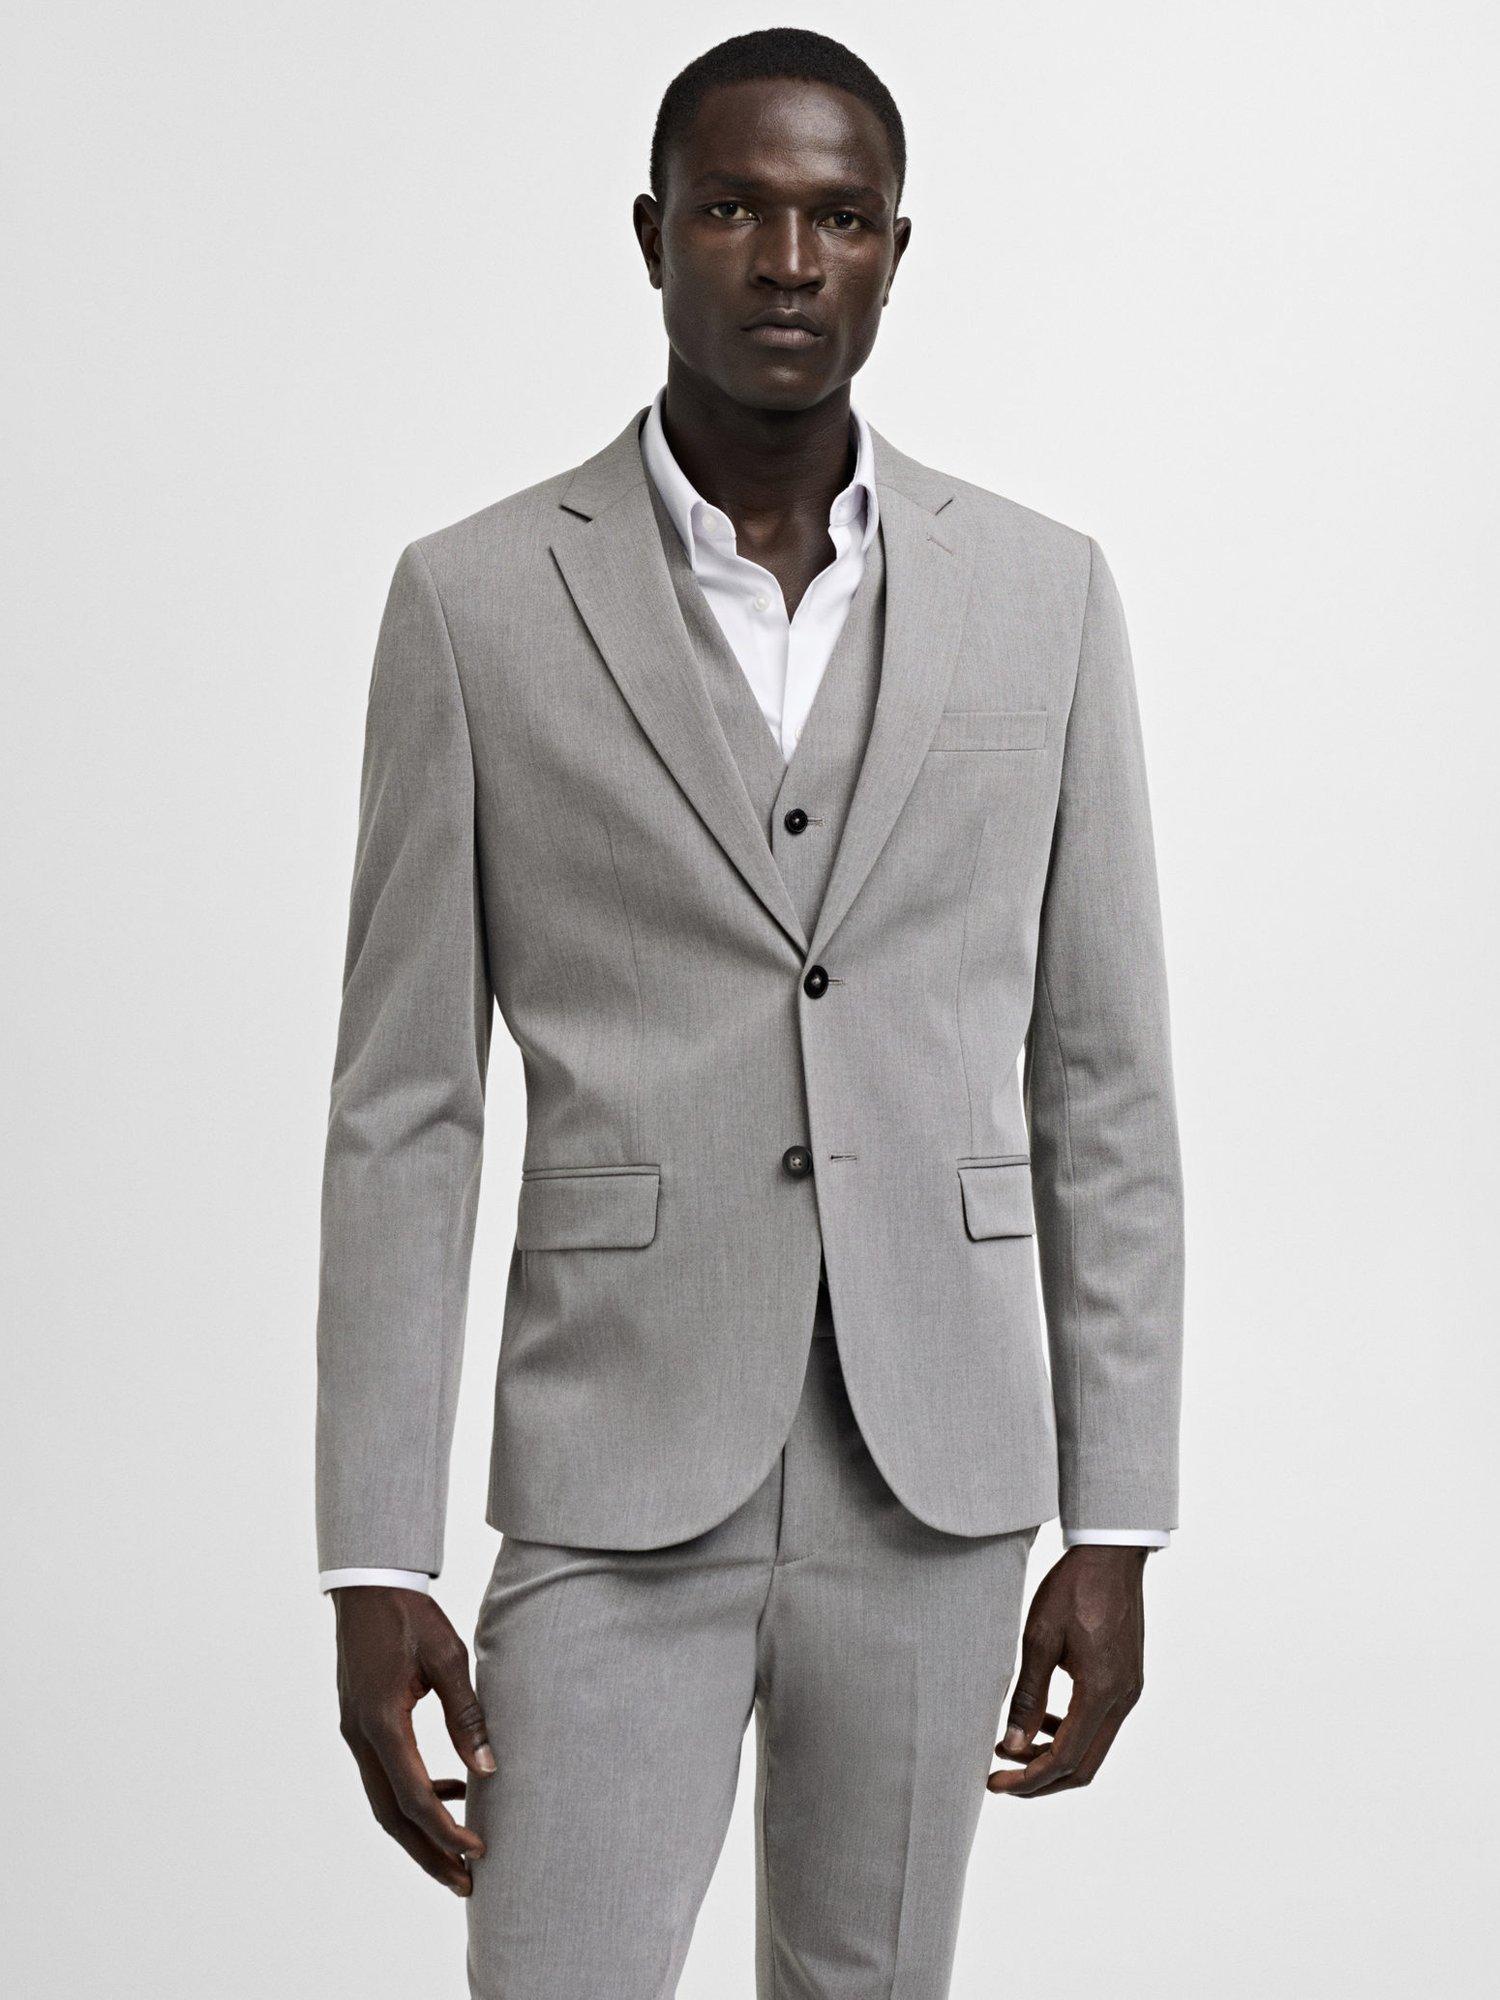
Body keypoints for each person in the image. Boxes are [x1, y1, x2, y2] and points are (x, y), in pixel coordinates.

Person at [315, 27, 1184, 1998]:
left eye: (839, 218)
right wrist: (375, 1556)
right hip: (613, 1461)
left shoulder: (1044, 593)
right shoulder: (473, 601)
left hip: (935, 1479)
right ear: (652, 236)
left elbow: (1106, 1080)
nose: (790, 261)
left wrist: (1119, 1513)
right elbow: (406, 1108)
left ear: (895, 251)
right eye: (735, 209)